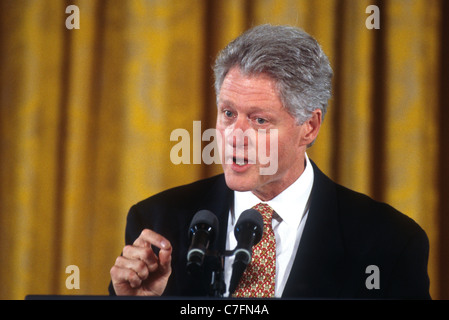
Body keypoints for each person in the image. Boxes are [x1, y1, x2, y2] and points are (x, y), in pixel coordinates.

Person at [109, 24, 430, 299]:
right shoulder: (158, 221)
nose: (235, 136)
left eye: (260, 120)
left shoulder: (390, 242)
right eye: (228, 113)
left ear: (310, 126)